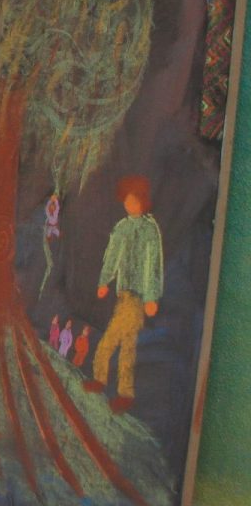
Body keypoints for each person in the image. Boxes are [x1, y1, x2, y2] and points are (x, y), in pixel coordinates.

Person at [90, 175, 163, 413]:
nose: (130, 205)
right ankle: (119, 391)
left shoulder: (150, 229)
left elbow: (153, 265)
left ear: (142, 201)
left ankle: (108, 384)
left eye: (134, 200)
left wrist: (151, 297)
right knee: (126, 343)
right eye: (127, 201)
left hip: (138, 297)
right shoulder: (121, 227)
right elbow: (112, 256)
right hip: (124, 295)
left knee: (118, 340)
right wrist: (104, 281)